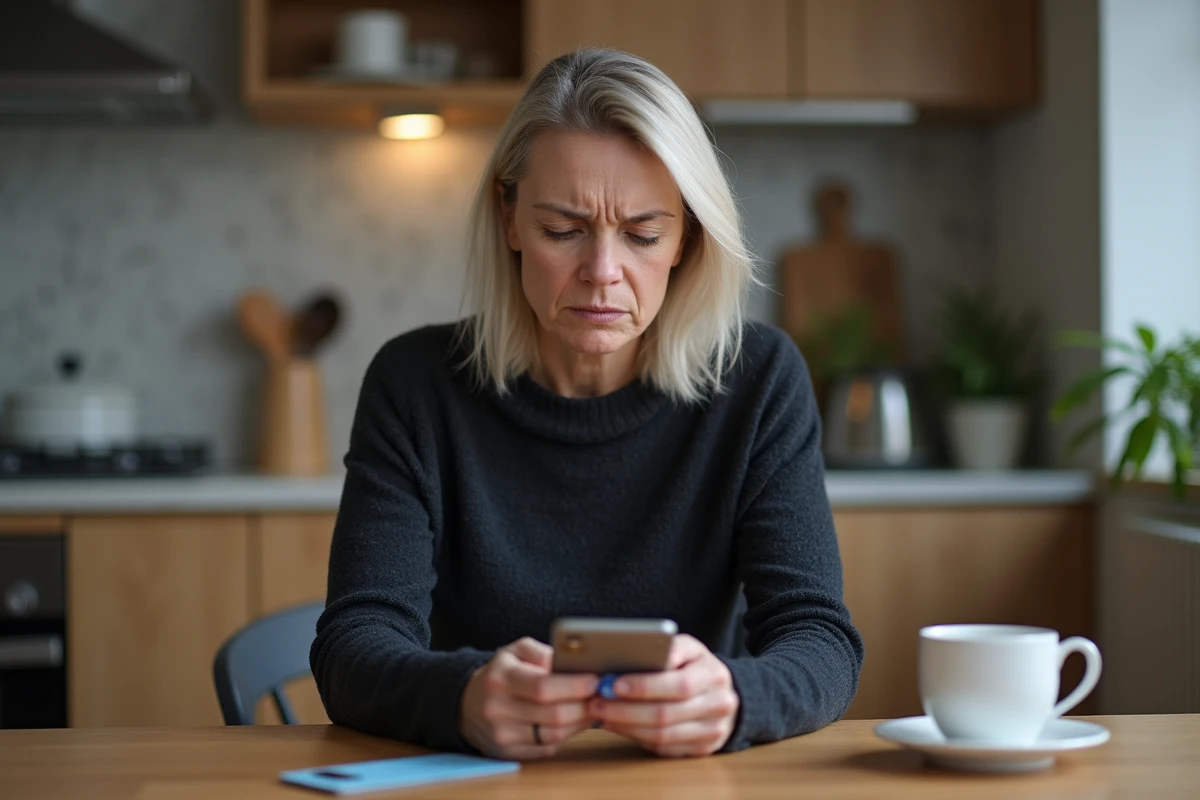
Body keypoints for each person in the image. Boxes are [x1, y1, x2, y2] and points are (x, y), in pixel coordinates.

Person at [311, 48, 864, 761]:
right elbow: (353, 647)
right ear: (508, 219)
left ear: (688, 239)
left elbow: (821, 641)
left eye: (642, 234)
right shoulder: (415, 385)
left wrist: (733, 698)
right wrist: (463, 698)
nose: (603, 274)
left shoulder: (758, 381)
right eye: (563, 230)